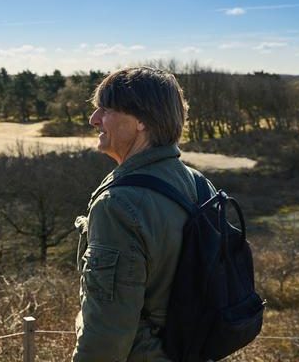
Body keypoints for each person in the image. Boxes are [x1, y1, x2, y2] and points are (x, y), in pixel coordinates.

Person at [72, 67, 211, 361]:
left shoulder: (118, 205)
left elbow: (106, 331)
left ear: (141, 122)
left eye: (106, 109)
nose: (93, 119)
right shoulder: (199, 184)